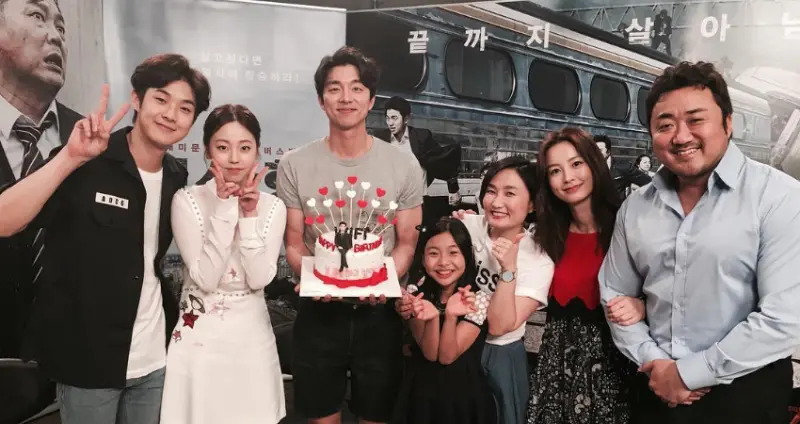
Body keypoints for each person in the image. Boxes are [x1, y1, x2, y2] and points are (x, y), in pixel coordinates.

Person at [0, 53, 211, 424]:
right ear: (136, 99)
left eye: (185, 108)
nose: (170, 114)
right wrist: (69, 158)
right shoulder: (88, 160)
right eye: (161, 99)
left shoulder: (177, 175)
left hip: (154, 359)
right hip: (88, 359)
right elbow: (5, 222)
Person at [599, 61, 800, 424]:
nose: (680, 136)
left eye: (695, 120)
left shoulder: (779, 197)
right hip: (654, 389)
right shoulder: (636, 208)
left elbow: (783, 318)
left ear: (728, 123)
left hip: (746, 396)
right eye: (665, 125)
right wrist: (655, 362)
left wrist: (689, 373)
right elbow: (614, 293)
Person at [275, 46, 423, 424]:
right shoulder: (294, 165)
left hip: (380, 316)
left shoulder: (404, 166)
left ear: (371, 100)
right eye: (334, 88)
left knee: (376, 415)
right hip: (319, 314)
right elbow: (294, 243)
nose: (346, 97)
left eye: (356, 88)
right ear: (321, 100)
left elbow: (407, 242)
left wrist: (382, 281)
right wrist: (314, 278)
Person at [160, 104, 286, 424]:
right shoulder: (187, 200)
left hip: (252, 343)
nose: (233, 158)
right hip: (200, 343)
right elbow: (206, 278)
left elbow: (259, 279)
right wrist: (225, 208)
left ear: (257, 151)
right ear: (207, 151)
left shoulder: (273, 206)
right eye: (222, 147)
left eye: (244, 148)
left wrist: (250, 216)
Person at [527, 127, 644, 424]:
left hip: (614, 371)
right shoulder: (547, 234)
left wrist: (642, 305)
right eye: (555, 171)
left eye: (576, 164)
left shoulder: (627, 226)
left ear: (594, 164)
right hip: (556, 371)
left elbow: (664, 289)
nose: (568, 178)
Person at [441, 156, 555, 424]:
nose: (496, 202)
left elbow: (499, 326)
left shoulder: (538, 259)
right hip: (451, 342)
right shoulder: (467, 228)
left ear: (532, 204)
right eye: (491, 191)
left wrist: (508, 270)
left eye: (510, 193)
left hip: (497, 354)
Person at [0, 0, 83, 357]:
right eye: (37, 16)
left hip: (75, 359)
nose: (56, 36)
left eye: (61, 27)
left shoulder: (92, 140)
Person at [391, 217, 495, 424]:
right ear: (422, 259)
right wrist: (431, 320)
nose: (443, 262)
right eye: (433, 253)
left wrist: (450, 316)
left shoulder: (478, 299)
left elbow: (447, 357)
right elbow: (430, 354)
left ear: (467, 256)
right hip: (420, 393)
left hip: (463, 396)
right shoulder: (416, 295)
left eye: (453, 252)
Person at [373, 96, 461, 226]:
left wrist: (453, 189)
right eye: (387, 118)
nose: (390, 123)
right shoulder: (380, 138)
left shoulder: (421, 138)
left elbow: (443, 159)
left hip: (417, 205)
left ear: (406, 118)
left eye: (394, 118)